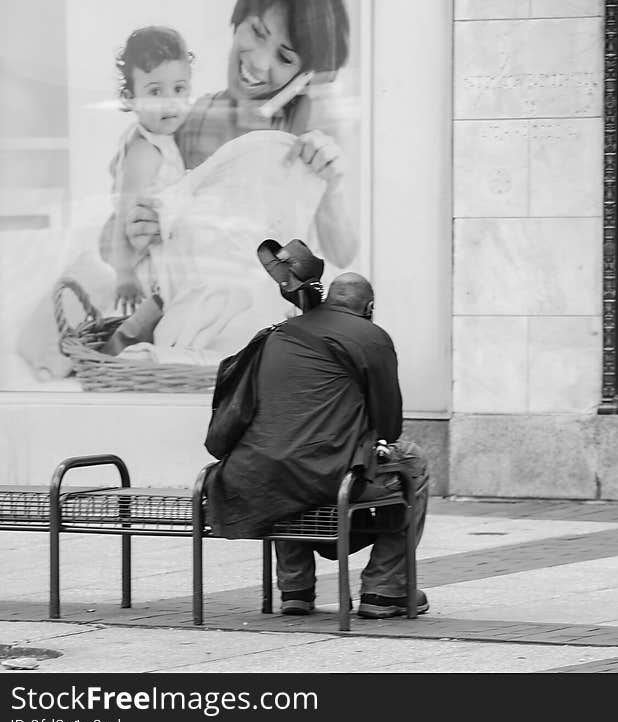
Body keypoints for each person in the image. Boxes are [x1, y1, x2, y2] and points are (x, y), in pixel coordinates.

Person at [205, 240, 429, 619]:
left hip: (254, 470)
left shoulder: (280, 333)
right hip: (326, 472)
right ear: (369, 309)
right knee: (415, 465)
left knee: (281, 461)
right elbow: (389, 425)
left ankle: (295, 589)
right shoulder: (371, 337)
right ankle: (384, 589)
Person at [125, 0, 357, 272]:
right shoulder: (187, 121)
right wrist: (139, 230)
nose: (259, 62)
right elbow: (119, 236)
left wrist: (331, 189)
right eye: (257, 32)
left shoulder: (305, 140)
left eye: (285, 57)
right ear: (238, 21)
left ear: (303, 75)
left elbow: (343, 255)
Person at [104, 26, 194, 316]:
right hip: (149, 265)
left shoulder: (163, 139)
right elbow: (122, 218)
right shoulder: (145, 151)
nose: (170, 101)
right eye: (155, 91)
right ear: (130, 98)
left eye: (179, 89)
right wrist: (125, 276)